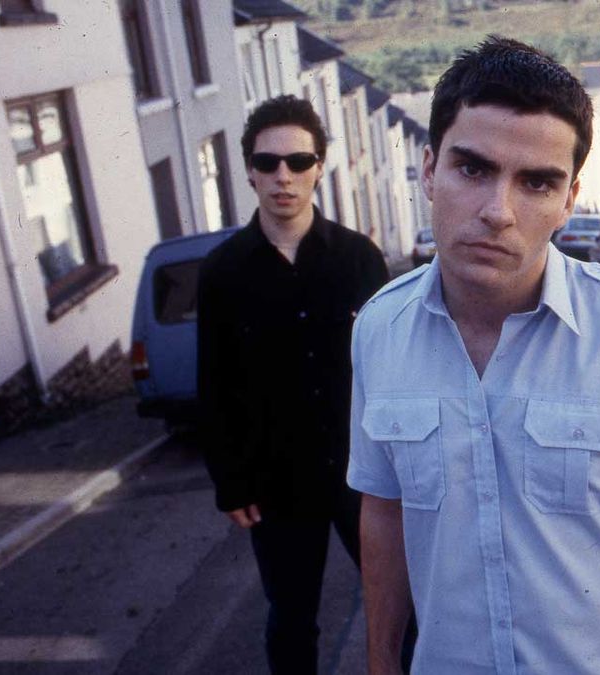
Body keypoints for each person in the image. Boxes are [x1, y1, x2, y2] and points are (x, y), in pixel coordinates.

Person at [348, 36, 600, 675]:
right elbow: (383, 509)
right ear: (428, 170)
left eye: (536, 182)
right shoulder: (379, 330)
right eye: (473, 169)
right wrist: (380, 661)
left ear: (569, 199)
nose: (498, 212)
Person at [197, 95, 389, 674]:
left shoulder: (359, 259)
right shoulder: (224, 271)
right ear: (250, 170)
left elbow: (394, 370)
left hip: (365, 475)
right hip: (277, 483)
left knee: (400, 609)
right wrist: (230, 483)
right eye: (269, 162)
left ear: (318, 168)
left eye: (299, 162)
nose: (284, 176)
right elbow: (216, 381)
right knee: (291, 618)